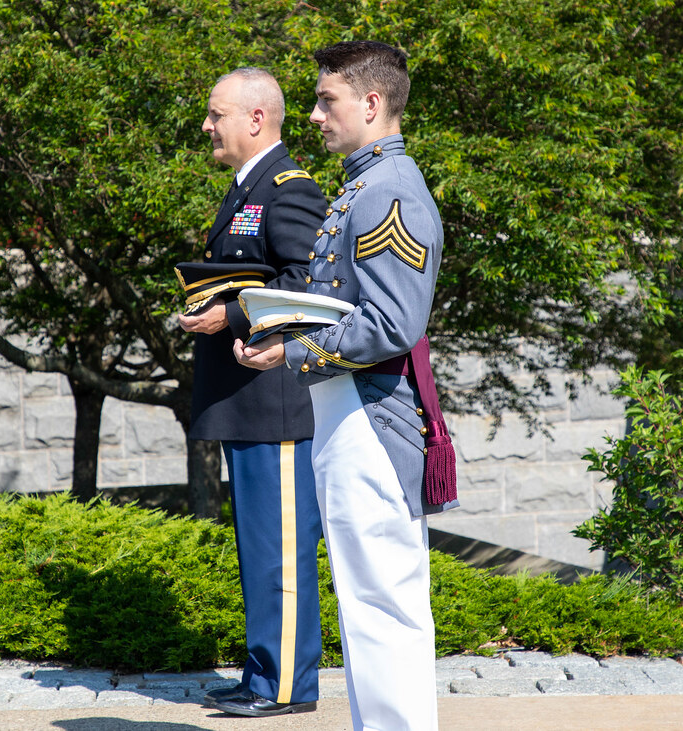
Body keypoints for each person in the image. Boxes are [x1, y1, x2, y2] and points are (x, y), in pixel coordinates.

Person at [233, 41, 459, 731]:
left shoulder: (388, 190)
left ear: (370, 103)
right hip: (351, 411)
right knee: (368, 600)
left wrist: (293, 349)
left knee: (380, 601)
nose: (313, 114)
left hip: (371, 415)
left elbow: (390, 322)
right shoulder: (366, 184)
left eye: (325, 100)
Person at [178, 67, 325, 718]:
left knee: (281, 554)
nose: (207, 125)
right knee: (259, 550)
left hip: (277, 399)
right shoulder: (245, 190)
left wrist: (230, 315)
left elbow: (305, 283)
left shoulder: (288, 190)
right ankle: (262, 674)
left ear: (256, 119)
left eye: (216, 114)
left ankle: (288, 685)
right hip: (248, 400)